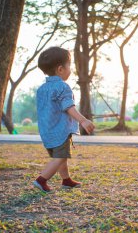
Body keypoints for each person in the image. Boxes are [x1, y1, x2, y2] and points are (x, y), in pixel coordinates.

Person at [34, 47, 95, 192]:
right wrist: (83, 120)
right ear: (60, 69)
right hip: (60, 130)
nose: (71, 69)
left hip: (46, 131)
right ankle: (41, 180)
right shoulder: (63, 86)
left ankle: (66, 180)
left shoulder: (42, 89)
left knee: (61, 157)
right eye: (69, 65)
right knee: (60, 158)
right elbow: (69, 107)